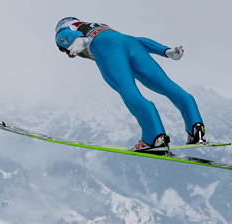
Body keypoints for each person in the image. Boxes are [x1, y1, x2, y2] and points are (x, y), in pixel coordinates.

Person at [55, 17, 206, 151]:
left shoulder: (67, 27)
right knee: (167, 85)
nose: (69, 54)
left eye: (66, 51)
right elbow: (138, 40)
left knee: (128, 91)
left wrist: (77, 39)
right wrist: (165, 51)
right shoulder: (96, 25)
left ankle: (154, 138)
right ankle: (196, 129)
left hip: (107, 47)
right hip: (130, 42)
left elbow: (63, 35)